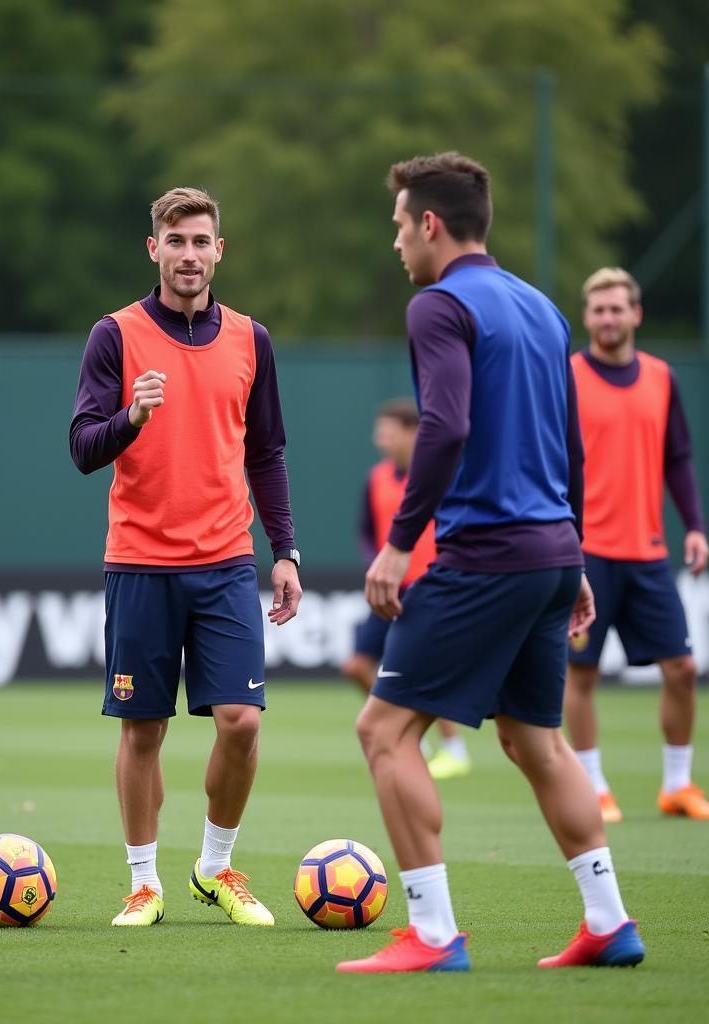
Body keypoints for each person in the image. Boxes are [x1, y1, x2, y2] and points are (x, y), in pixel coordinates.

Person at [337, 152, 644, 974]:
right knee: (536, 740)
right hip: (550, 553)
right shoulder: (542, 307)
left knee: (384, 729)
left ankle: (433, 934)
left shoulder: (438, 305)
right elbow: (570, 443)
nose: (396, 240)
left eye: (400, 224)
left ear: (430, 223)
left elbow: (443, 426)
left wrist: (400, 546)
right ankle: (609, 921)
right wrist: (573, 552)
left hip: (488, 556)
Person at [69, 186, 301, 928]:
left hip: (227, 560)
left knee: (242, 721)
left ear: (219, 250)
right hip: (139, 561)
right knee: (143, 731)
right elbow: (81, 448)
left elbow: (266, 452)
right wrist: (129, 418)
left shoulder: (250, 339)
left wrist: (285, 550)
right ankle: (144, 882)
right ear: (154, 250)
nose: (190, 255)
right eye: (177, 242)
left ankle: (215, 865)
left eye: (202, 241)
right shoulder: (115, 334)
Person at [566, 268, 708, 823]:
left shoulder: (662, 377)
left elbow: (677, 457)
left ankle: (677, 783)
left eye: (616, 309)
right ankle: (594, 787)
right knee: (582, 675)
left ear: (635, 314)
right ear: (587, 316)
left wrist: (694, 524)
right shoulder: (568, 375)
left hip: (648, 552)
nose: (607, 318)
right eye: (598, 309)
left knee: (683, 668)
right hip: (586, 552)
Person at [344, 398, 470, 779]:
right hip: (389, 589)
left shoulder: (440, 475)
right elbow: (367, 531)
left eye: (390, 431)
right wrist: (376, 561)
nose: (382, 439)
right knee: (357, 666)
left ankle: (454, 749)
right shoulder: (377, 477)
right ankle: (418, 741)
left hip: (429, 586)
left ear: (415, 433)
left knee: (427, 672)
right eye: (379, 431)